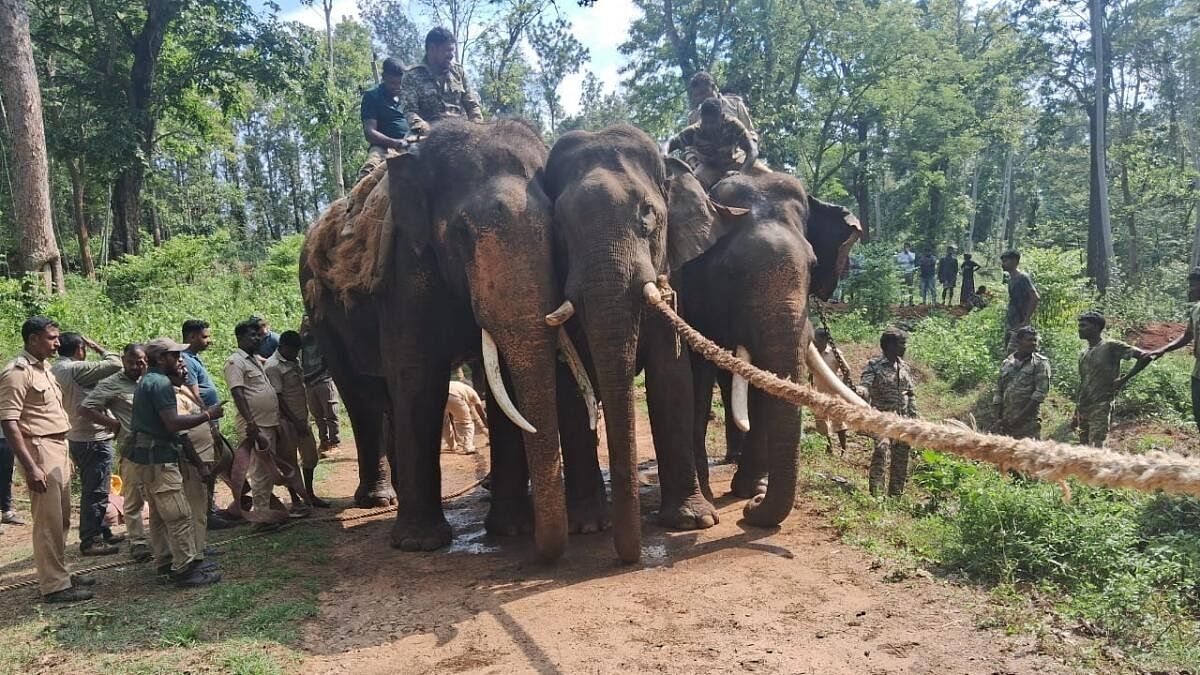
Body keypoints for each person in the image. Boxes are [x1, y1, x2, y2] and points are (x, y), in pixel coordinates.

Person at [0, 317, 96, 602]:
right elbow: (9, 422)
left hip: (57, 446)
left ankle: (60, 571)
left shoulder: (45, 369)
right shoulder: (17, 372)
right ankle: (54, 586)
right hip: (39, 450)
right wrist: (31, 466)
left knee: (62, 519)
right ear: (32, 339)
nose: (58, 342)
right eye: (52, 337)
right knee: (48, 522)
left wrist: (66, 455)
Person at [130, 338, 223, 586]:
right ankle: (185, 570)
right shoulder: (160, 384)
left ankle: (166, 562)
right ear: (161, 359)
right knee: (179, 513)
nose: (180, 359)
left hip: (149, 458)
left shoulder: (148, 381)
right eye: (174, 356)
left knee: (161, 515)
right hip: (159, 459)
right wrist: (208, 414)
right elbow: (173, 423)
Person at [226, 319, 305, 530]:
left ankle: (267, 513)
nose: (257, 339)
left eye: (258, 335)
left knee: (268, 470)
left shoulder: (254, 360)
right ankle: (261, 519)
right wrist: (251, 422)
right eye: (251, 336)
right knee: (260, 472)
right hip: (255, 425)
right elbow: (238, 392)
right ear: (240, 338)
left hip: (268, 423)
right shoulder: (236, 362)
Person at [78, 344, 152, 563]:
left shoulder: (151, 380)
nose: (135, 367)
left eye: (140, 362)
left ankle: (161, 539)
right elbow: (84, 408)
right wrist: (113, 424)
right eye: (130, 362)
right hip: (132, 450)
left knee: (160, 495)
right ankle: (138, 542)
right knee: (134, 499)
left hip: (158, 448)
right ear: (122, 360)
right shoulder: (112, 384)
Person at [51, 332, 123, 556]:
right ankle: (90, 540)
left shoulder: (55, 369)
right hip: (93, 438)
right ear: (79, 349)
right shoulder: (76, 369)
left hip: (76, 435)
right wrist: (97, 346)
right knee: (97, 490)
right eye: (84, 347)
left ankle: (100, 531)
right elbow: (115, 364)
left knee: (93, 487)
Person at [266, 331, 329, 508]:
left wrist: (321, 370)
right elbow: (277, 398)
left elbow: (302, 382)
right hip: (287, 421)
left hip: (302, 418)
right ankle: (295, 498)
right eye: (294, 350)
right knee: (289, 462)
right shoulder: (273, 367)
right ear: (283, 347)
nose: (296, 354)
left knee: (310, 458)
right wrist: (295, 421)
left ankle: (309, 494)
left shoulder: (294, 361)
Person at [1072, 311, 1148, 447]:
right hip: (1084, 406)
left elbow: (1145, 357)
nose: (1080, 329)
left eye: (1083, 325)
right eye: (1079, 325)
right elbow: (1083, 382)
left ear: (1095, 327)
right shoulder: (1084, 353)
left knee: (1096, 448)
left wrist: (1124, 379)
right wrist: (1076, 411)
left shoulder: (1110, 346)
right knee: (1082, 450)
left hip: (1101, 405)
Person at [180, 319, 229, 530]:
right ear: (192, 337)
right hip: (201, 422)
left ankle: (209, 509)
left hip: (207, 420)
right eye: (205, 336)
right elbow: (193, 394)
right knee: (207, 466)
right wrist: (207, 418)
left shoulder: (193, 358)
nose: (209, 340)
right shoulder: (186, 360)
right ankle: (207, 512)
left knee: (217, 462)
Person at [861, 328, 917, 497]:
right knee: (881, 452)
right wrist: (861, 391)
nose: (905, 347)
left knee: (901, 460)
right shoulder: (874, 366)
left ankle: (895, 497)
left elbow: (911, 394)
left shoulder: (904, 367)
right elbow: (865, 386)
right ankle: (876, 496)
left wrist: (916, 421)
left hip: (903, 422)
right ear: (890, 346)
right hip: (882, 421)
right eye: (902, 343)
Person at [1142, 267, 1200, 431]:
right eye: (1191, 285)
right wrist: (1163, 349)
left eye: (1195, 285)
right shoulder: (1196, 310)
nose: (1191, 289)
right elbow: (1187, 336)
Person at [399, 27, 483, 136]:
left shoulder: (458, 71)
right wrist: (425, 129)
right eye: (447, 50)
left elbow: (472, 105)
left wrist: (477, 127)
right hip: (426, 135)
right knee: (411, 152)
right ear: (432, 49)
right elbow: (409, 111)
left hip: (460, 132)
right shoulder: (412, 75)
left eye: (453, 50)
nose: (451, 55)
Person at [667, 97, 759, 188]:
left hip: (734, 161)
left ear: (722, 117)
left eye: (712, 122)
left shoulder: (733, 125)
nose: (708, 126)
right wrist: (663, 155)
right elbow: (670, 142)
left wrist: (742, 173)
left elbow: (753, 151)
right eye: (705, 122)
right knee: (692, 186)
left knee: (768, 177)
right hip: (709, 167)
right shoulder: (695, 130)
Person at [992, 327, 1051, 439]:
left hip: (1028, 425)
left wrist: (1018, 418)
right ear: (1018, 341)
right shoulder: (1007, 363)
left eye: (1035, 340)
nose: (1033, 343)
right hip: (1006, 424)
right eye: (1029, 340)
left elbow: (1039, 394)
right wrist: (997, 419)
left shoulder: (1040, 363)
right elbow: (998, 391)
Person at [358, 57, 411, 181]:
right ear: (384, 77)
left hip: (412, 144)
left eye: (400, 83)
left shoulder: (409, 95)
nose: (397, 87)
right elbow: (369, 132)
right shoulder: (372, 96)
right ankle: (354, 200)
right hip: (383, 147)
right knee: (369, 171)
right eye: (392, 83)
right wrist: (395, 143)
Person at [300, 316, 340, 451]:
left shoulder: (323, 338)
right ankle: (324, 442)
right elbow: (297, 347)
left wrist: (309, 377)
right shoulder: (303, 340)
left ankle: (334, 441)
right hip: (310, 382)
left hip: (324, 379)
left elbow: (326, 363)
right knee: (317, 415)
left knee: (331, 412)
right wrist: (302, 331)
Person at [811, 328, 852, 454]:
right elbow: (810, 373)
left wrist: (842, 389)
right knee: (822, 423)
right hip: (819, 393)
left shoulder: (834, 353)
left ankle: (843, 449)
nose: (814, 342)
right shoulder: (813, 353)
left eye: (816, 340)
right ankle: (828, 448)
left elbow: (847, 371)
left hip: (834, 394)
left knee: (839, 423)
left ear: (825, 340)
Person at [686, 71, 757, 142]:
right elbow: (690, 144)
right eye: (697, 95)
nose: (701, 97)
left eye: (703, 92)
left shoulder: (735, 104)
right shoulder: (693, 117)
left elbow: (750, 132)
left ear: (713, 87)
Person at [1001, 250, 1040, 352]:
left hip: (1020, 324)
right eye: (1002, 261)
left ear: (1014, 261)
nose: (1003, 264)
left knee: (1016, 353)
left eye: (1005, 261)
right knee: (1009, 355)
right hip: (1011, 323)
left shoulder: (1022, 277)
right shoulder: (1010, 279)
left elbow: (1035, 297)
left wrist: (1026, 320)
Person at [442, 378, 487, 455]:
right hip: (454, 396)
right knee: (467, 423)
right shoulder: (472, 391)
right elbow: (480, 412)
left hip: (438, 394)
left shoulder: (458, 385)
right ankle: (468, 447)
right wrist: (486, 424)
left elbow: (451, 415)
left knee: (445, 423)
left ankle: (452, 445)